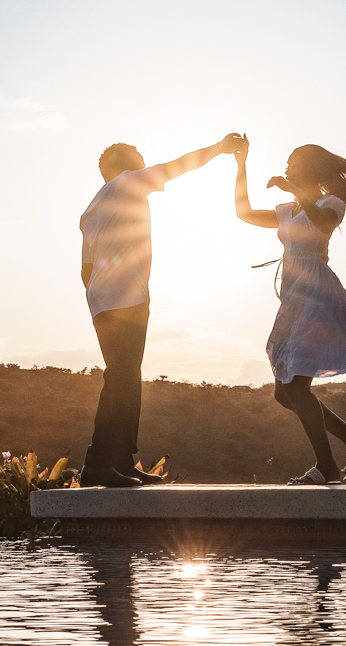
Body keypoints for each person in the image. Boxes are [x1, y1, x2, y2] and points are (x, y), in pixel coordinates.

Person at [232, 137, 346, 485]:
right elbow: (243, 213)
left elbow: (323, 224)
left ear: (308, 171)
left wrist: (294, 188)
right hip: (294, 300)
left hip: (318, 297)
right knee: (285, 391)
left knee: (295, 387)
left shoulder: (331, 204)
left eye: (293, 163)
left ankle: (325, 467)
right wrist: (241, 165)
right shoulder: (287, 210)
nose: (286, 168)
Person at [80, 134, 244, 488]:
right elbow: (175, 168)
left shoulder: (92, 209)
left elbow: (85, 270)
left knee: (127, 378)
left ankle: (121, 461)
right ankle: (97, 463)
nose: (145, 163)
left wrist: (102, 301)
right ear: (124, 165)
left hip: (104, 300)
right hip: (125, 299)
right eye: (139, 158)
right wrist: (219, 148)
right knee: (121, 379)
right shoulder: (127, 183)